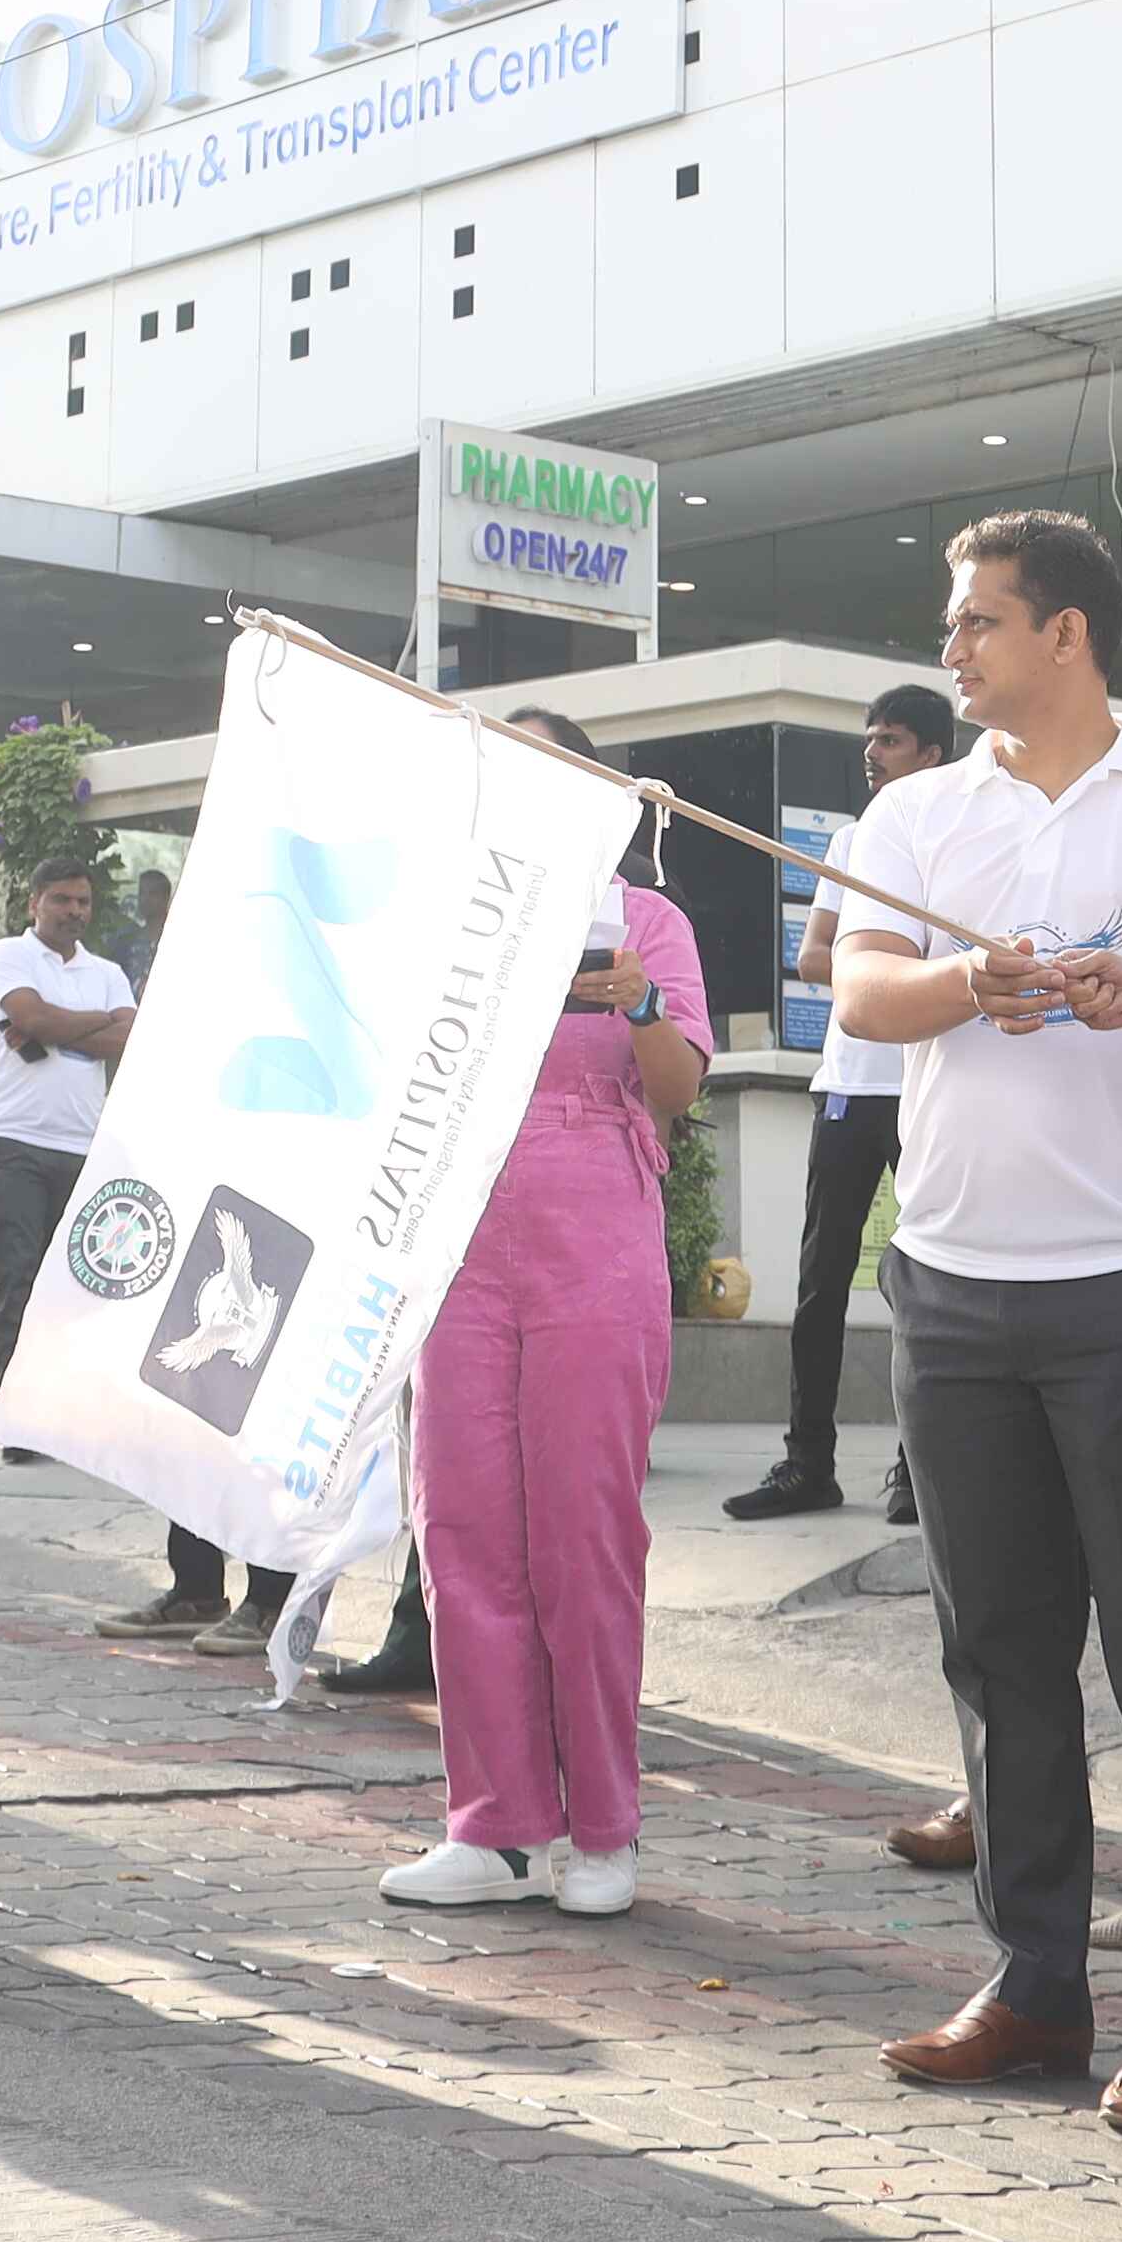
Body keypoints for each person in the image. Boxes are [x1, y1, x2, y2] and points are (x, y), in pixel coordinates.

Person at [830, 506, 1122, 2133]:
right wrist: (977, 986)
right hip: (949, 1290)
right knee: (998, 1655)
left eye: (978, 624)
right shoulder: (917, 808)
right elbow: (865, 994)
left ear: (1068, 635)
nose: (951, 651)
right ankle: (1032, 1985)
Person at [382, 715, 710, 1917]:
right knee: (463, 1528)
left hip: (595, 1243)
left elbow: (679, 1090)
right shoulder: (456, 920)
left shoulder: (651, 920)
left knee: (585, 1537)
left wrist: (635, 1001)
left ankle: (605, 1831)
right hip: (461, 1247)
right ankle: (493, 1824)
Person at [0, 855, 294, 1645]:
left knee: (253, 1397)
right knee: (183, 1396)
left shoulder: (291, 978)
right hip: (183, 1182)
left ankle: (273, 1596)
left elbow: (127, 1039)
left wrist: (74, 1029)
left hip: (268, 1194)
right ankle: (196, 1588)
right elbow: (136, 1042)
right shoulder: (182, 973)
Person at [738, 680, 961, 1525]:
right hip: (848, 1086)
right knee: (820, 1281)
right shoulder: (853, 838)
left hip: (927, 1086)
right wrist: (888, 967)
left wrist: (900, 970)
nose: (872, 753)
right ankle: (807, 1464)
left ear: (933, 752)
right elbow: (813, 958)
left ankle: (920, 1470)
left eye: (893, 739)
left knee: (927, 1285)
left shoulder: (964, 830)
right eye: (869, 737)